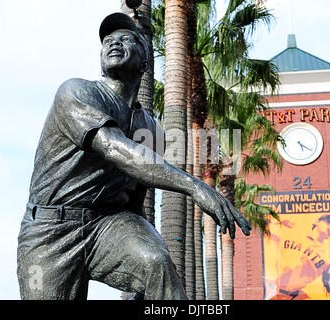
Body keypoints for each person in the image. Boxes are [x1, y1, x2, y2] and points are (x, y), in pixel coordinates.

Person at [16, 12, 251, 300]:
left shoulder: (152, 129)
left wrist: (140, 274)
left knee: (156, 261)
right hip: (50, 230)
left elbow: (135, 201)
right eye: (108, 41)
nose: (114, 43)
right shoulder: (76, 92)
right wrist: (195, 186)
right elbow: (115, 148)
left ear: (144, 61)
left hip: (107, 225)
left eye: (126, 39)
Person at [264, 214, 330, 300]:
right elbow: (268, 228)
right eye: (328, 221)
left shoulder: (325, 257)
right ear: (317, 222)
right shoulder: (295, 234)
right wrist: (277, 223)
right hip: (273, 288)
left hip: (293, 294)